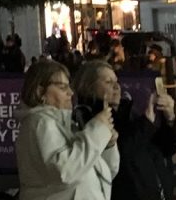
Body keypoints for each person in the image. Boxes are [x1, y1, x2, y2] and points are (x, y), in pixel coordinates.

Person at [74, 59, 176, 200]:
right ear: (88, 87)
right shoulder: (89, 119)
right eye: (108, 82)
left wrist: (170, 118)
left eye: (116, 80)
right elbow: (118, 157)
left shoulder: (130, 111)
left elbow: (168, 148)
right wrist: (146, 122)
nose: (117, 86)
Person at [15, 58, 119, 200]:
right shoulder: (40, 122)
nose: (70, 93)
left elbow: (107, 171)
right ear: (40, 92)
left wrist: (108, 145)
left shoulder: (67, 125)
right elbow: (64, 171)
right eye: (62, 87)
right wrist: (98, 130)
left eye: (69, 86)